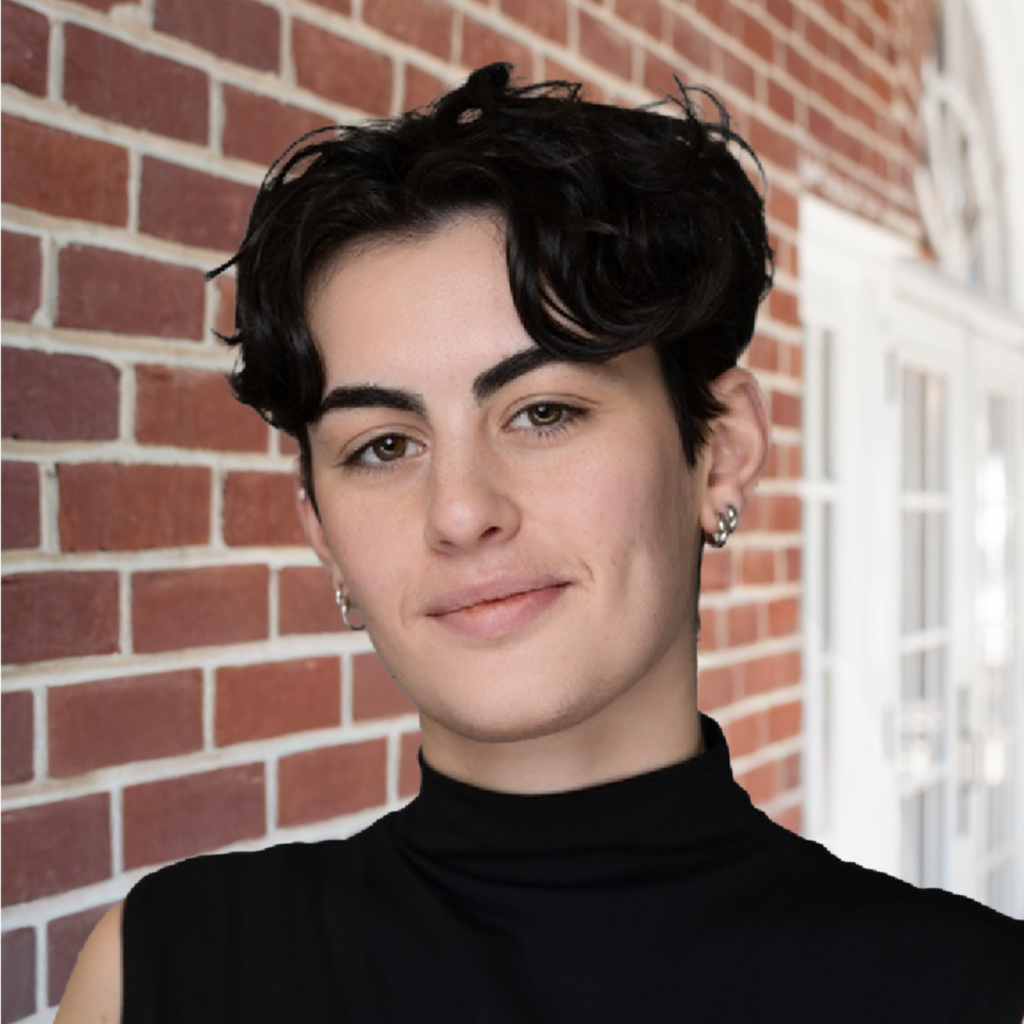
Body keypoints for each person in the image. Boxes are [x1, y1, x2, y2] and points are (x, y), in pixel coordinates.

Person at [57, 63, 1024, 1023]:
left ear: (719, 452)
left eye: (545, 411)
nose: (460, 511)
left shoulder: (969, 991)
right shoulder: (161, 973)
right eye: (385, 445)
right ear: (322, 531)